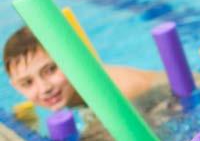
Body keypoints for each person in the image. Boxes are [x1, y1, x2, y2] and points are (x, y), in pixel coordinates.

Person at [3, 26, 170, 112]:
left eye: (50, 70)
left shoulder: (116, 92)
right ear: (16, 87)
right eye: (27, 83)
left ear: (71, 59)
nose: (44, 88)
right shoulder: (77, 95)